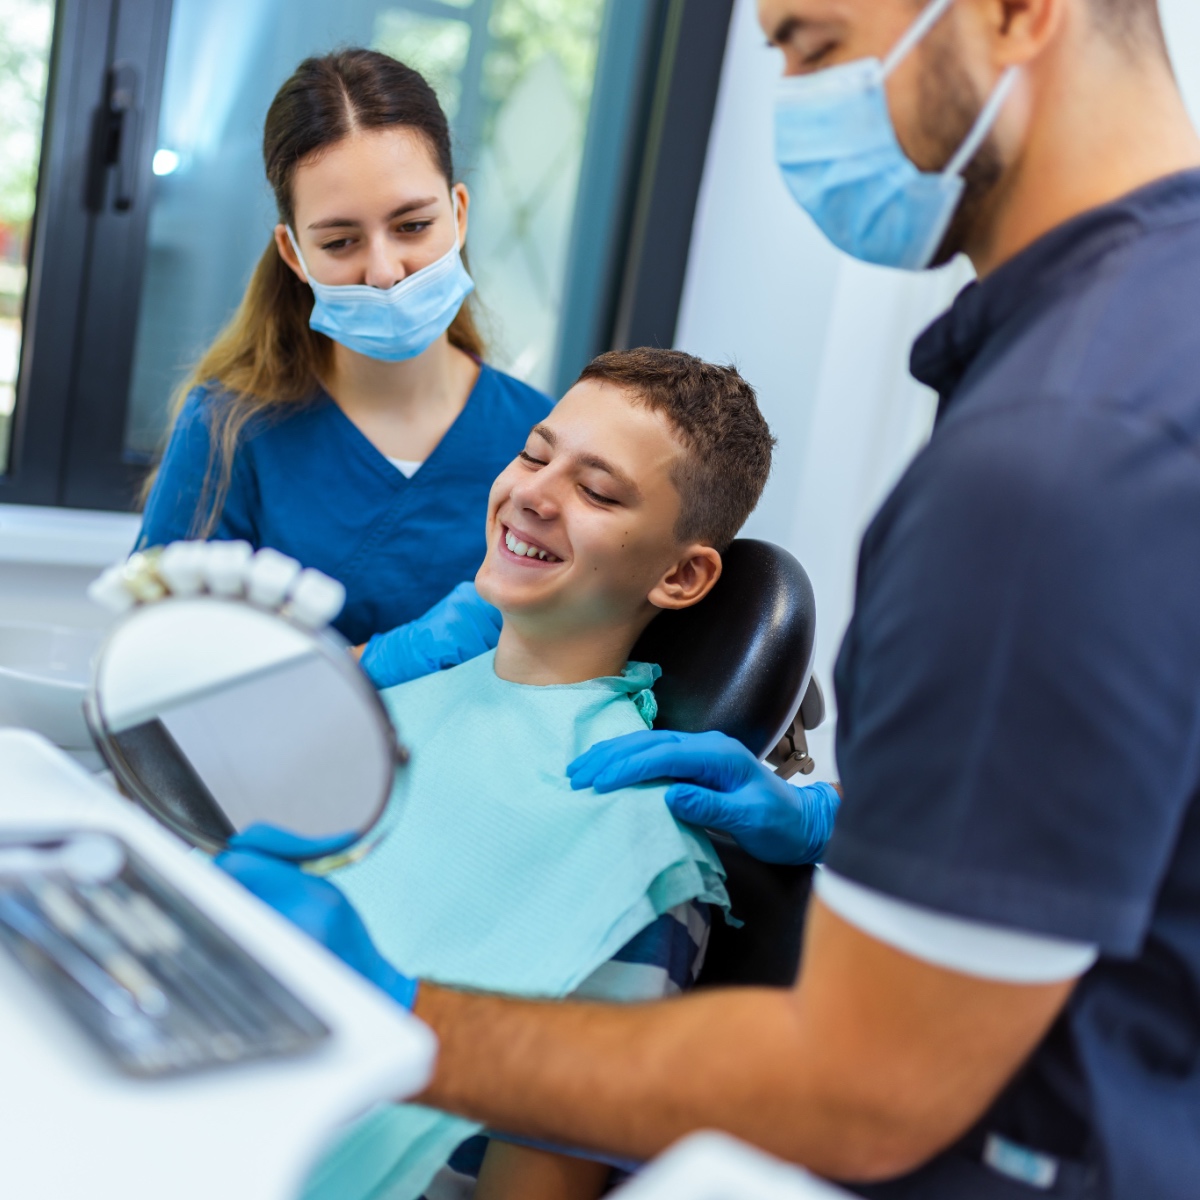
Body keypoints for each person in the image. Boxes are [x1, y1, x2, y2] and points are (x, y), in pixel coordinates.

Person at [221, 0, 1200, 1195]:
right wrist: (838, 818)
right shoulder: (1141, 350)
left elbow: (866, 1089)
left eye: (814, 45)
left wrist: (386, 1017)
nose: (795, 102)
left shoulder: (1063, 445)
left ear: (1012, 13)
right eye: (535, 458)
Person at [227, 348, 783, 1200]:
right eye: (533, 454)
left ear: (681, 574)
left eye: (597, 491)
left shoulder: (638, 853)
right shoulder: (389, 711)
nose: (533, 493)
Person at [137, 49, 551, 657]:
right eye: (339, 241)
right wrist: (380, 662)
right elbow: (158, 660)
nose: (383, 271)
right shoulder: (230, 428)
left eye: (412, 226)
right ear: (293, 254)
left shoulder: (540, 442)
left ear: (458, 215)